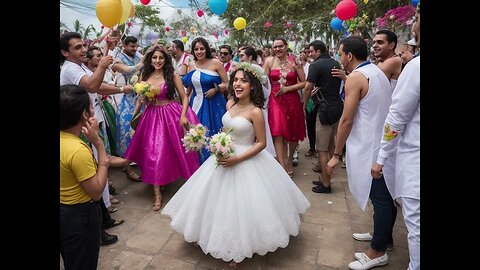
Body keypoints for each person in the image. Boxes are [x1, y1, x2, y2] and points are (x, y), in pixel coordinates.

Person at [161, 63, 310, 268]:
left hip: (246, 159)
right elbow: (225, 128)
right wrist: (216, 142)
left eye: (244, 81)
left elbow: (261, 143)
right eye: (236, 80)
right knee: (213, 201)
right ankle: (206, 234)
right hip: (223, 156)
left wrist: (236, 159)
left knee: (241, 207)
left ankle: (239, 247)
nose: (238, 84)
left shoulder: (256, 111)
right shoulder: (230, 103)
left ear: (252, 86)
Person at [325, 36, 396, 270]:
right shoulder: (376, 71)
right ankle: (382, 236)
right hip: (380, 141)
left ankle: (378, 251)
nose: (339, 58)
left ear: (349, 56)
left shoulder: (356, 77)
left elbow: (346, 120)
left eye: (340, 53)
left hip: (371, 145)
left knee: (381, 198)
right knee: (381, 197)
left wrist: (336, 153)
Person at [371, 4, 420, 270]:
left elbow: (396, 118)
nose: (413, 23)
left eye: (417, 18)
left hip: (415, 161)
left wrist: (380, 158)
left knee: (416, 228)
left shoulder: (414, 68)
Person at [123, 46, 200, 211]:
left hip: (170, 115)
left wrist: (183, 115)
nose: (157, 61)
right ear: (150, 59)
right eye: (154, 58)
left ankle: (172, 182)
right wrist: (135, 115)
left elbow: (184, 97)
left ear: (166, 60)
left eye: (161, 58)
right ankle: (157, 194)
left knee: (171, 152)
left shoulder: (173, 75)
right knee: (154, 153)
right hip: (151, 116)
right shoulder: (145, 75)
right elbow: (140, 98)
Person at [60, 84, 110, 270]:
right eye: (91, 107)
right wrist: (99, 145)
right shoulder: (77, 150)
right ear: (84, 115)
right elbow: (96, 192)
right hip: (79, 215)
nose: (93, 110)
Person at [303, 40, 343, 194]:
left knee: (321, 149)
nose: (309, 54)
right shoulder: (335, 63)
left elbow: (307, 88)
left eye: (311, 51)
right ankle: (326, 177)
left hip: (325, 111)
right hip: (336, 107)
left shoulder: (316, 65)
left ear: (318, 51)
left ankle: (326, 184)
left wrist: (305, 105)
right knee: (330, 146)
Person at [264, 37, 306, 177]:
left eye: (280, 46)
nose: (277, 49)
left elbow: (304, 83)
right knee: (278, 131)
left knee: (293, 133)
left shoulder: (295, 61)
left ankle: (289, 160)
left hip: (292, 99)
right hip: (275, 100)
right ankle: (281, 164)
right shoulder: (269, 61)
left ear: (286, 46)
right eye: (275, 47)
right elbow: (263, 80)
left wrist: (289, 89)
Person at [183, 37, 229, 163]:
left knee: (216, 134)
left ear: (206, 49)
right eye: (196, 49)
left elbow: (226, 83)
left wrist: (216, 89)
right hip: (196, 104)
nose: (199, 52)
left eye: (202, 48)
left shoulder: (216, 63)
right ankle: (200, 167)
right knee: (197, 136)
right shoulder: (191, 65)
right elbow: (189, 87)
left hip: (215, 104)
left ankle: (218, 162)